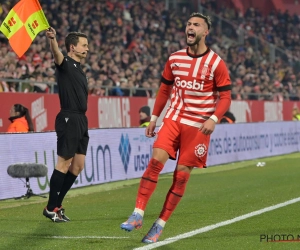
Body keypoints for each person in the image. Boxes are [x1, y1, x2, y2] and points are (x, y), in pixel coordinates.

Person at [120, 12, 231, 243]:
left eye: (196, 25)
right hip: (173, 119)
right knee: (155, 163)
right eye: (189, 24)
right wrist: (153, 118)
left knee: (180, 178)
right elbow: (164, 90)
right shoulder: (175, 58)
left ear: (205, 31)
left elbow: (226, 98)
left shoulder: (216, 63)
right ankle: (138, 214)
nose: (190, 28)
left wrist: (213, 118)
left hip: (198, 127)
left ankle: (159, 224)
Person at [43, 27, 89, 222]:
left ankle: (57, 204)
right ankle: (50, 208)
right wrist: (52, 40)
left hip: (81, 119)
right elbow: (56, 54)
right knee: (63, 164)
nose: (87, 48)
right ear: (73, 47)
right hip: (68, 117)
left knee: (77, 166)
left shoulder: (80, 69)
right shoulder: (65, 63)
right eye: (84, 45)